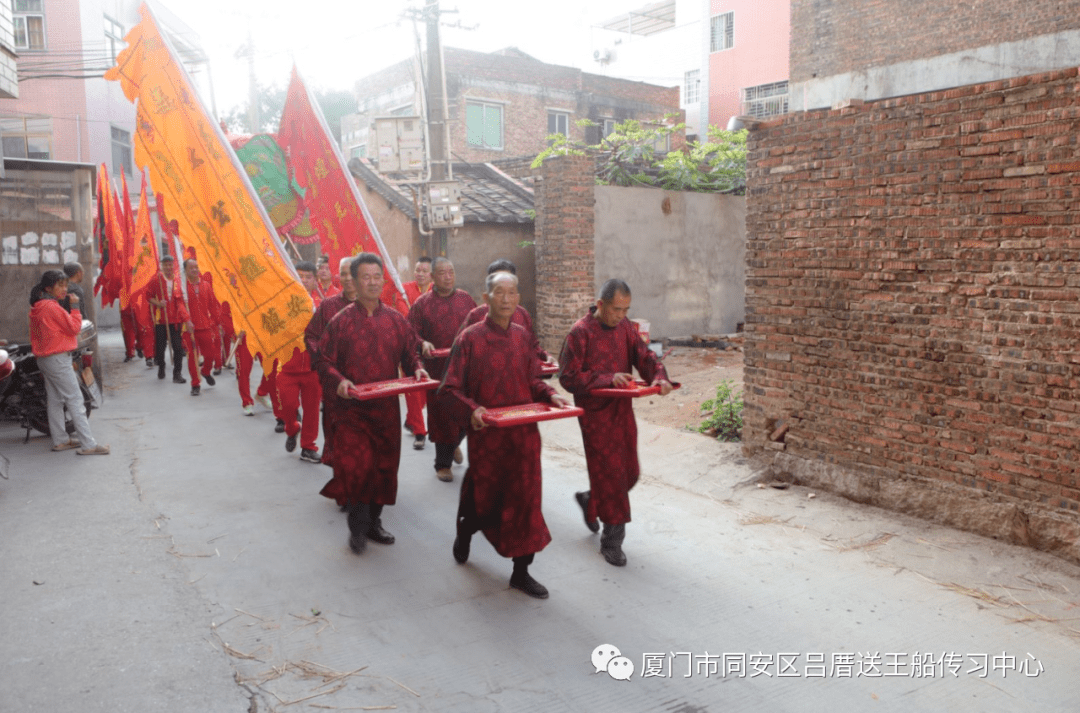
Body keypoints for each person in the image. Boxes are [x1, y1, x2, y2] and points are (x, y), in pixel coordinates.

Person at [440, 271, 573, 599]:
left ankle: (521, 571)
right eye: (499, 293)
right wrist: (473, 410)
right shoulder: (469, 338)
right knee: (487, 495)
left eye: (512, 293)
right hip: (488, 436)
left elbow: (532, 379)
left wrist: (548, 394)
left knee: (526, 499)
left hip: (524, 435)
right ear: (486, 299)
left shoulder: (522, 336)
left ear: (518, 299)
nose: (506, 299)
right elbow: (449, 389)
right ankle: (466, 530)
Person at [316, 253, 428, 554]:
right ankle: (357, 526)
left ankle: (375, 522)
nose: (373, 282)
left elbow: (410, 353)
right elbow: (323, 360)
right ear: (352, 280)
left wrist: (416, 367)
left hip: (386, 410)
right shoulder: (340, 322)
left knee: (384, 467)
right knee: (357, 468)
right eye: (366, 277)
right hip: (352, 412)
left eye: (377, 276)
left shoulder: (395, 320)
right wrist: (339, 381)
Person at [558, 279, 673, 567]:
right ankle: (612, 541)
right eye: (615, 309)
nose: (620, 315)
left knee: (630, 472)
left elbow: (645, 356)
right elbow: (568, 377)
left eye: (625, 309)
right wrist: (608, 377)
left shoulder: (625, 328)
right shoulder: (580, 333)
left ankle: (591, 499)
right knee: (611, 475)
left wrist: (659, 375)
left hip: (622, 410)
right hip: (595, 415)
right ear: (600, 305)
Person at [407, 257, 476, 481]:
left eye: (451, 272)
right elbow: (411, 332)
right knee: (442, 416)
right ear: (433, 277)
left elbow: (478, 327)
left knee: (467, 410)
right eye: (442, 273)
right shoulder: (422, 303)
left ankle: (455, 441)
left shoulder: (466, 299)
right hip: (437, 369)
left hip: (464, 368)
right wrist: (422, 343)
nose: (448, 276)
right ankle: (442, 464)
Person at [28, 270, 109, 455]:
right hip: (57, 359)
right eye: (60, 285)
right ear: (49, 288)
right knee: (75, 399)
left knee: (55, 401)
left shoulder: (38, 306)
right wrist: (75, 307)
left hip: (46, 359)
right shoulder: (51, 307)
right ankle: (88, 444)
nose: (65, 289)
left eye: (65, 285)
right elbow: (74, 328)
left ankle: (61, 441)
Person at [304, 257, 357, 469]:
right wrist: (324, 364)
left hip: (367, 382)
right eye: (343, 273)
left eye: (352, 273)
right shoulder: (328, 306)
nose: (348, 278)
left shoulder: (374, 305)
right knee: (339, 432)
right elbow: (311, 336)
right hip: (336, 382)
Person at [459, 258, 554, 365]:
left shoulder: (522, 314)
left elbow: (532, 346)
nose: (505, 299)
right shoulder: (475, 315)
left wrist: (546, 356)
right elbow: (460, 353)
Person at [278, 261, 322, 463]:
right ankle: (292, 427)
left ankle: (308, 446)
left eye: (308, 277)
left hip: (313, 368)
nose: (303, 280)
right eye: (300, 276)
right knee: (288, 406)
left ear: (315, 280)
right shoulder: (283, 301)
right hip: (287, 366)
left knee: (312, 410)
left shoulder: (322, 304)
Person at [400, 256, 433, 449]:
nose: (419, 274)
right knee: (413, 389)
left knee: (426, 393)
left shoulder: (437, 292)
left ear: (431, 274)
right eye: (417, 270)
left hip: (431, 347)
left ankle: (411, 419)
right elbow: (406, 317)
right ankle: (420, 432)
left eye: (424, 271)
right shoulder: (403, 289)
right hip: (409, 347)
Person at [146, 255, 189, 384]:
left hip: (175, 319)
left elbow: (181, 299)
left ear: (174, 265)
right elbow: (148, 296)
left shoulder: (178, 281)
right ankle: (161, 366)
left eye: (170, 264)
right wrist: (158, 303)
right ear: (162, 266)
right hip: (161, 319)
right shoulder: (156, 280)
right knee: (160, 347)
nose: (168, 267)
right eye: (166, 265)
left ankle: (177, 374)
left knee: (177, 347)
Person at [181, 258, 221, 396]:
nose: (194, 270)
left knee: (210, 355)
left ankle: (205, 371)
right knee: (192, 357)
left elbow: (213, 305)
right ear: (185, 270)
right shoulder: (182, 287)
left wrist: (216, 321)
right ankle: (195, 384)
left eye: (196, 267)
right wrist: (186, 319)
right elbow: (179, 305)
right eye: (191, 268)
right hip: (189, 328)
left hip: (205, 326)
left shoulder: (206, 285)